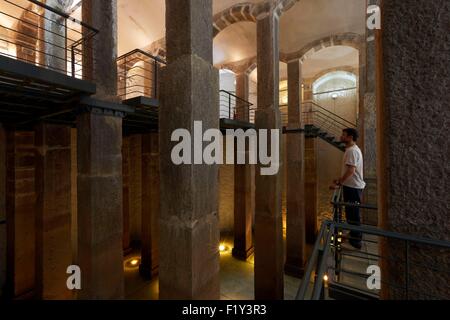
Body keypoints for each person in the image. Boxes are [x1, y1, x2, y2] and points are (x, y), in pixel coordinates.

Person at [331, 128, 366, 249]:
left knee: (353, 214)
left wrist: (339, 183)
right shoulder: (351, 150)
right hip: (352, 186)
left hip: (353, 187)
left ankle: (356, 242)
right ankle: (353, 234)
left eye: (343, 135)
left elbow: (351, 171)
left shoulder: (352, 151)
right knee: (351, 213)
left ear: (350, 137)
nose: (341, 137)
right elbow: (349, 170)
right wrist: (340, 179)